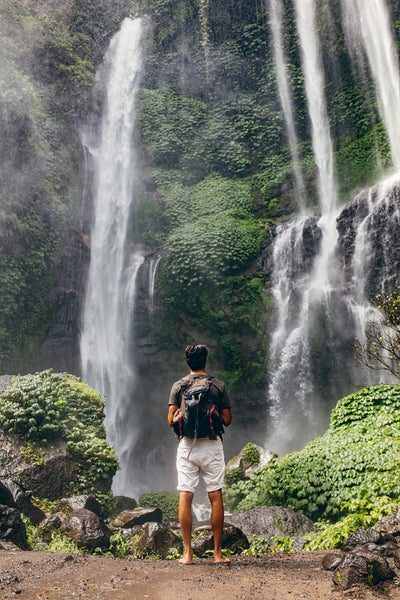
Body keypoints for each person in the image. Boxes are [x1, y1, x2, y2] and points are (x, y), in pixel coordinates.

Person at [168, 343, 232, 565]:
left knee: (185, 495)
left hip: (187, 446)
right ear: (205, 361)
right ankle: (217, 554)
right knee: (215, 495)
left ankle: (187, 553)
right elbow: (227, 419)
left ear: (188, 363)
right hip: (212, 445)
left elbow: (170, 420)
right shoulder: (217, 385)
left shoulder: (179, 386)